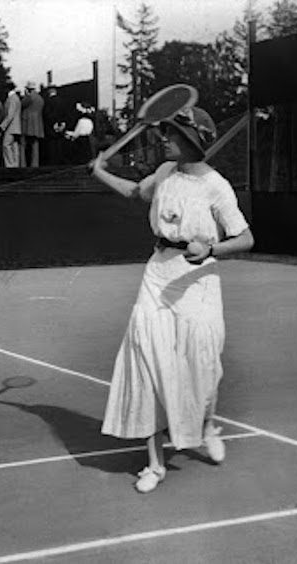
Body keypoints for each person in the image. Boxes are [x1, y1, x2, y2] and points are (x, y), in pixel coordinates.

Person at [90, 104, 255, 493]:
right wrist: (99, 172)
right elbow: (135, 192)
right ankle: (155, 464)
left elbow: (246, 238)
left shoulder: (216, 186)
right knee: (147, 359)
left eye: (172, 134)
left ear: (192, 140)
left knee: (202, 365)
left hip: (197, 282)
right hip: (157, 275)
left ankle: (207, 424)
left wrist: (210, 249)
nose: (164, 139)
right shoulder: (165, 172)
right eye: (164, 132)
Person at [20, 81, 44, 167]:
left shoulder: (29, 97)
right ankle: (35, 164)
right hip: (37, 123)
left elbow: (21, 104)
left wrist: (26, 95)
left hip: (27, 122)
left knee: (23, 144)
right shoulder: (40, 98)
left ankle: (23, 164)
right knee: (35, 144)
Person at [0, 85, 22, 168]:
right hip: (16, 126)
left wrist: (2, 126)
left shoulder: (11, 99)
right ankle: (15, 164)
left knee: (6, 145)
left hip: (11, 126)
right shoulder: (16, 98)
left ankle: (10, 165)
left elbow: (10, 115)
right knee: (14, 146)